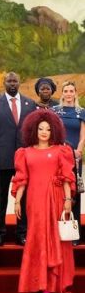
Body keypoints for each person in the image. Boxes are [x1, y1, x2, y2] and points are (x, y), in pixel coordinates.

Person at [13, 111, 76, 293]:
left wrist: (67, 200)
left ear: (53, 131)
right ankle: (39, 283)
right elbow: (21, 179)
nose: (44, 132)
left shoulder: (61, 150)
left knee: (55, 237)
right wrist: (17, 201)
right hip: (34, 200)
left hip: (56, 198)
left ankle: (54, 284)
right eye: (40, 128)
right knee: (37, 236)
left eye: (48, 129)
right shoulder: (24, 152)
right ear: (33, 130)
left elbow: (66, 177)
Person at [0, 72, 37, 246]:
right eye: (9, 81)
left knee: (24, 198)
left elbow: (33, 133)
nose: (12, 84)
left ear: (19, 83)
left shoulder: (30, 104)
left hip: (25, 161)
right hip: (1, 160)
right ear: (4, 83)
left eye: (15, 81)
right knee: (0, 199)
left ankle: (22, 233)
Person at [51, 81, 85, 242]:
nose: (69, 93)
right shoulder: (55, 111)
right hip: (58, 155)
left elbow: (83, 135)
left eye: (72, 90)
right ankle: (57, 231)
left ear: (75, 93)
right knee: (59, 191)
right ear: (62, 93)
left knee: (74, 193)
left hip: (75, 156)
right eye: (66, 91)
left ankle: (73, 233)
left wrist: (78, 150)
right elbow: (53, 133)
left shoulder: (81, 112)